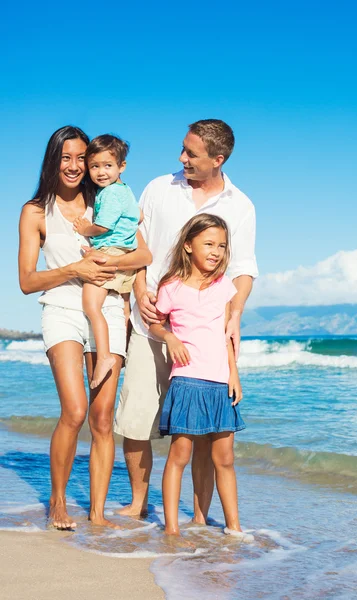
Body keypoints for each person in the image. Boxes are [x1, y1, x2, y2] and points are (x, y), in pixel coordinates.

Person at [114, 119, 258, 523]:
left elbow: (244, 267)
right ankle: (140, 503)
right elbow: (135, 244)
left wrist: (235, 312)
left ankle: (199, 517)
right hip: (151, 322)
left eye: (191, 153)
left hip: (205, 335)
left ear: (218, 159)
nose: (182, 158)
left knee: (201, 433)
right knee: (138, 416)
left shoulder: (240, 205)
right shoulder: (160, 188)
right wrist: (139, 291)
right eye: (183, 149)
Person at [18, 125, 152, 530]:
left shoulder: (109, 199)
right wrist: (74, 269)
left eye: (82, 158)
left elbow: (142, 253)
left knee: (103, 417)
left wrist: (109, 264)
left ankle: (96, 513)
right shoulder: (36, 211)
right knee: (75, 411)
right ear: (53, 160)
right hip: (61, 307)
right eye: (67, 158)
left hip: (109, 308)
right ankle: (57, 501)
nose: (75, 166)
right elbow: (26, 281)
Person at [149, 214, 245, 536]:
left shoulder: (224, 286)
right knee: (180, 454)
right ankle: (172, 530)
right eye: (209, 244)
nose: (216, 251)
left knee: (225, 458)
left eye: (221, 245)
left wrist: (234, 374)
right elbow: (155, 322)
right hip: (187, 380)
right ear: (189, 245)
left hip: (219, 383)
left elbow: (227, 333)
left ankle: (234, 528)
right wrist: (170, 338)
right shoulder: (171, 286)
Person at [73, 134, 142, 389]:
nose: (101, 172)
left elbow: (102, 226)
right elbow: (139, 215)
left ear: (121, 166)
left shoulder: (111, 193)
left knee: (91, 304)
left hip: (112, 251)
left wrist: (85, 229)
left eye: (107, 165)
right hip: (123, 250)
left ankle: (104, 357)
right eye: (94, 166)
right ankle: (122, 352)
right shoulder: (124, 190)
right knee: (123, 306)